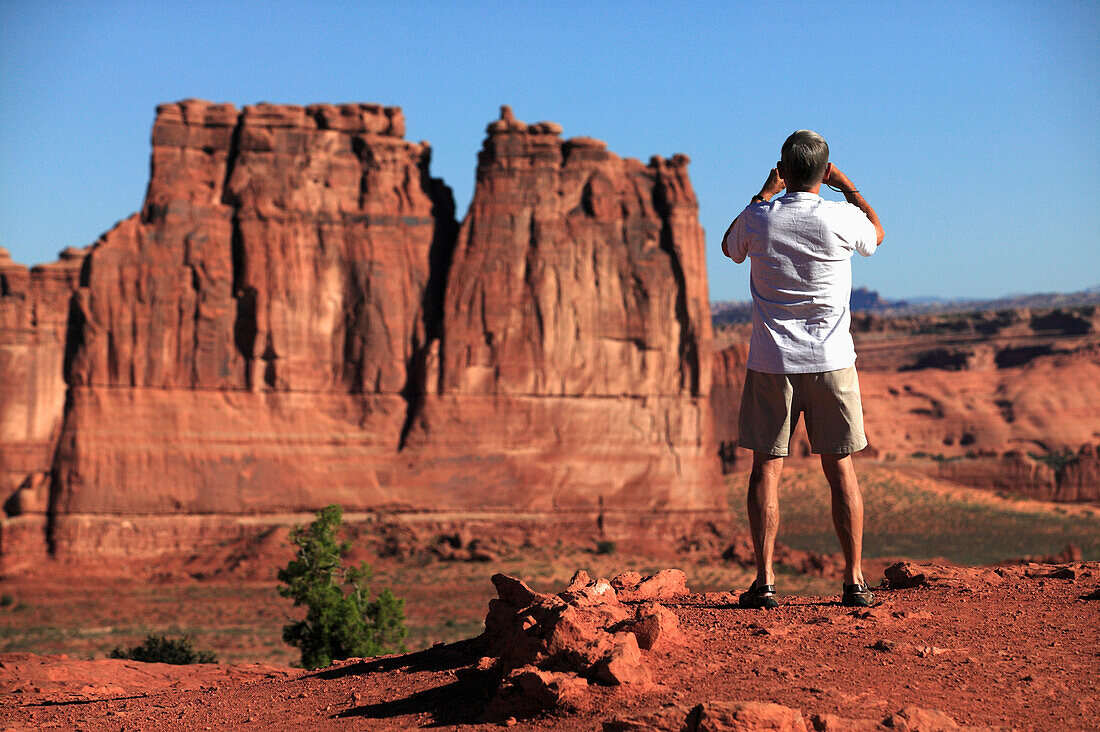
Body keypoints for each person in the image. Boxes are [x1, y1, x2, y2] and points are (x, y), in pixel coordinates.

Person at [721, 130, 885, 609]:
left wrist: (764, 193)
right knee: (841, 469)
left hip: (772, 362)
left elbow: (731, 248)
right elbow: (876, 234)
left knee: (766, 471)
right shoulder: (840, 216)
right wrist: (848, 186)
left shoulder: (758, 217)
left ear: (783, 169)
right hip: (832, 362)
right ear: (824, 172)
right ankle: (855, 581)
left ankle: (764, 581)